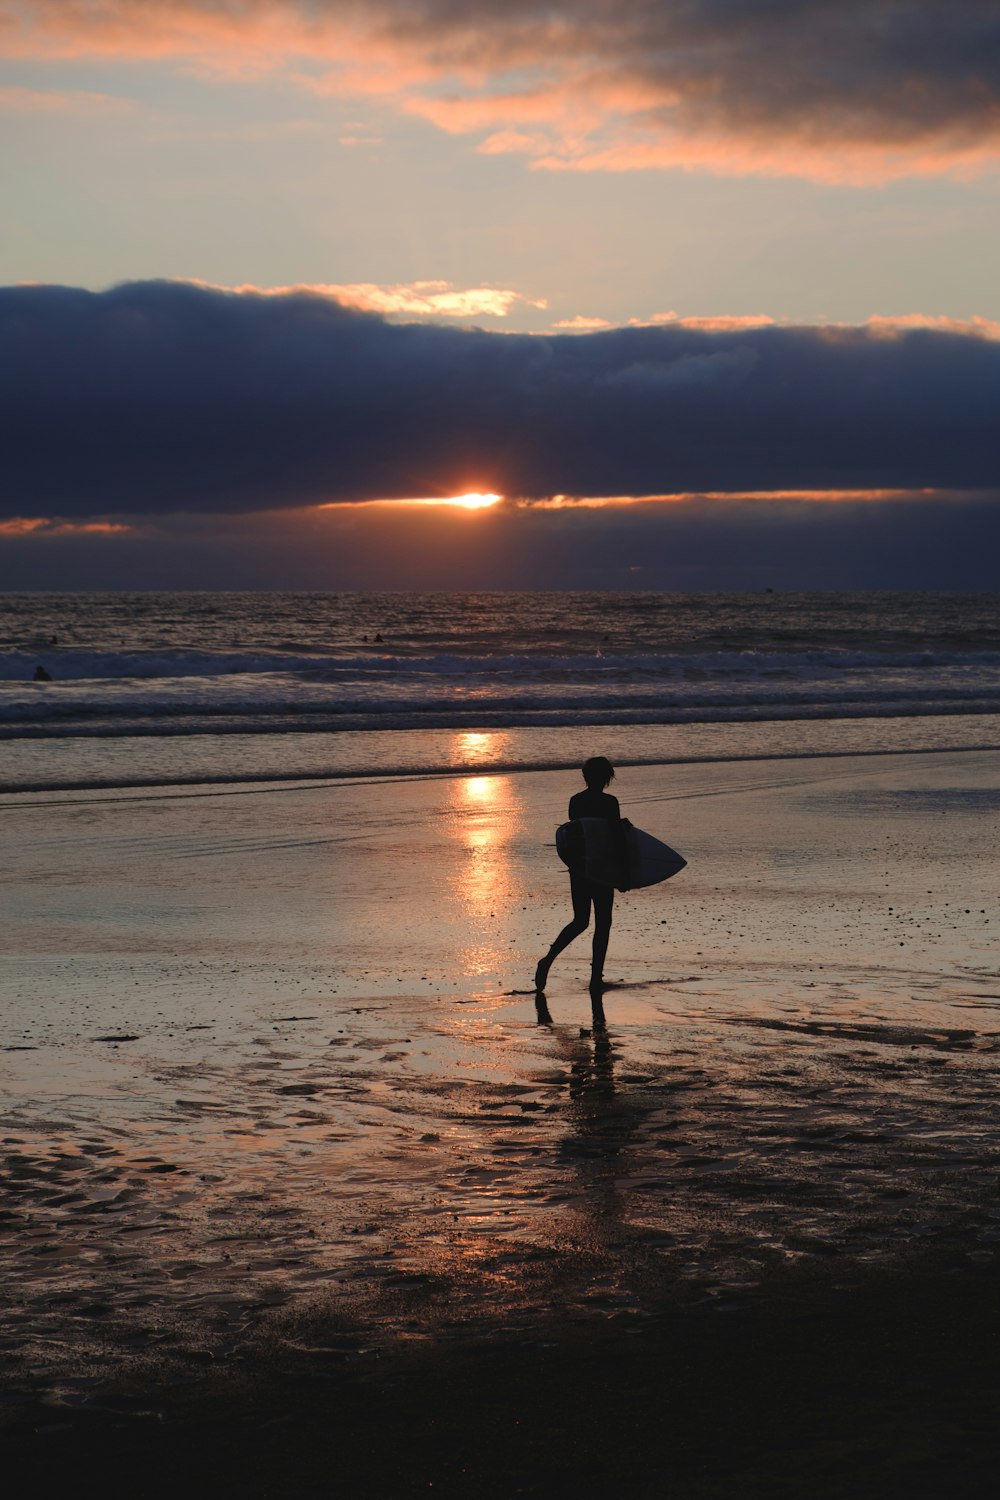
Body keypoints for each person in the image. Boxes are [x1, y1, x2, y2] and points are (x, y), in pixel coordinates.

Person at [534, 756, 629, 1012]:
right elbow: (614, 838)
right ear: (607, 778)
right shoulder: (610, 802)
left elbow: (577, 833)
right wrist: (624, 874)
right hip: (602, 868)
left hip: (579, 868)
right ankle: (595, 978)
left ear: (585, 777)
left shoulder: (576, 801)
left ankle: (547, 960)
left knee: (580, 920)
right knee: (603, 922)